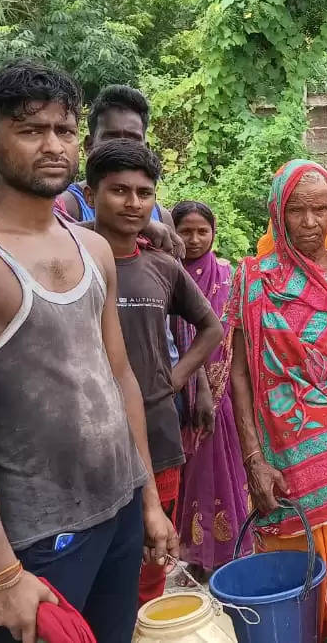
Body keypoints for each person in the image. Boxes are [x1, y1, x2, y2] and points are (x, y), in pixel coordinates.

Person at [0, 59, 177, 643]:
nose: (52, 145)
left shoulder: (93, 248)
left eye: (63, 130)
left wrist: (151, 502)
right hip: (38, 536)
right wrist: (0, 568)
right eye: (30, 131)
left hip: (120, 510)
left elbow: (119, 377)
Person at [227, 160, 327, 640]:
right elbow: (239, 374)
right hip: (285, 453)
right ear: (277, 212)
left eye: (321, 209)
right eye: (297, 210)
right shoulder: (254, 278)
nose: (311, 223)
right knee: (298, 585)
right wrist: (253, 458)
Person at [82, 139, 225, 604]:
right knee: (95, 557)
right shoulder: (68, 255)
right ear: (91, 191)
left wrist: (176, 379)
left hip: (158, 434)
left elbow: (211, 328)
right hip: (87, 437)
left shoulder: (162, 266)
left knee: (152, 552)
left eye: (144, 193)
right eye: (119, 191)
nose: (133, 203)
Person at [169, 201, 250, 577]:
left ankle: (230, 550)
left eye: (203, 231)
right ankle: (199, 553)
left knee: (227, 469)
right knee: (194, 474)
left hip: (227, 394)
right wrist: (197, 383)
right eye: (186, 231)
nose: (195, 239)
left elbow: (238, 334)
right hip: (185, 394)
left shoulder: (227, 276)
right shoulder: (167, 274)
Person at [56, 84, 170, 226]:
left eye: (132, 138)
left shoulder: (162, 217)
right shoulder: (66, 207)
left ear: (146, 149)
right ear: (89, 145)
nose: (122, 146)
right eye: (111, 137)